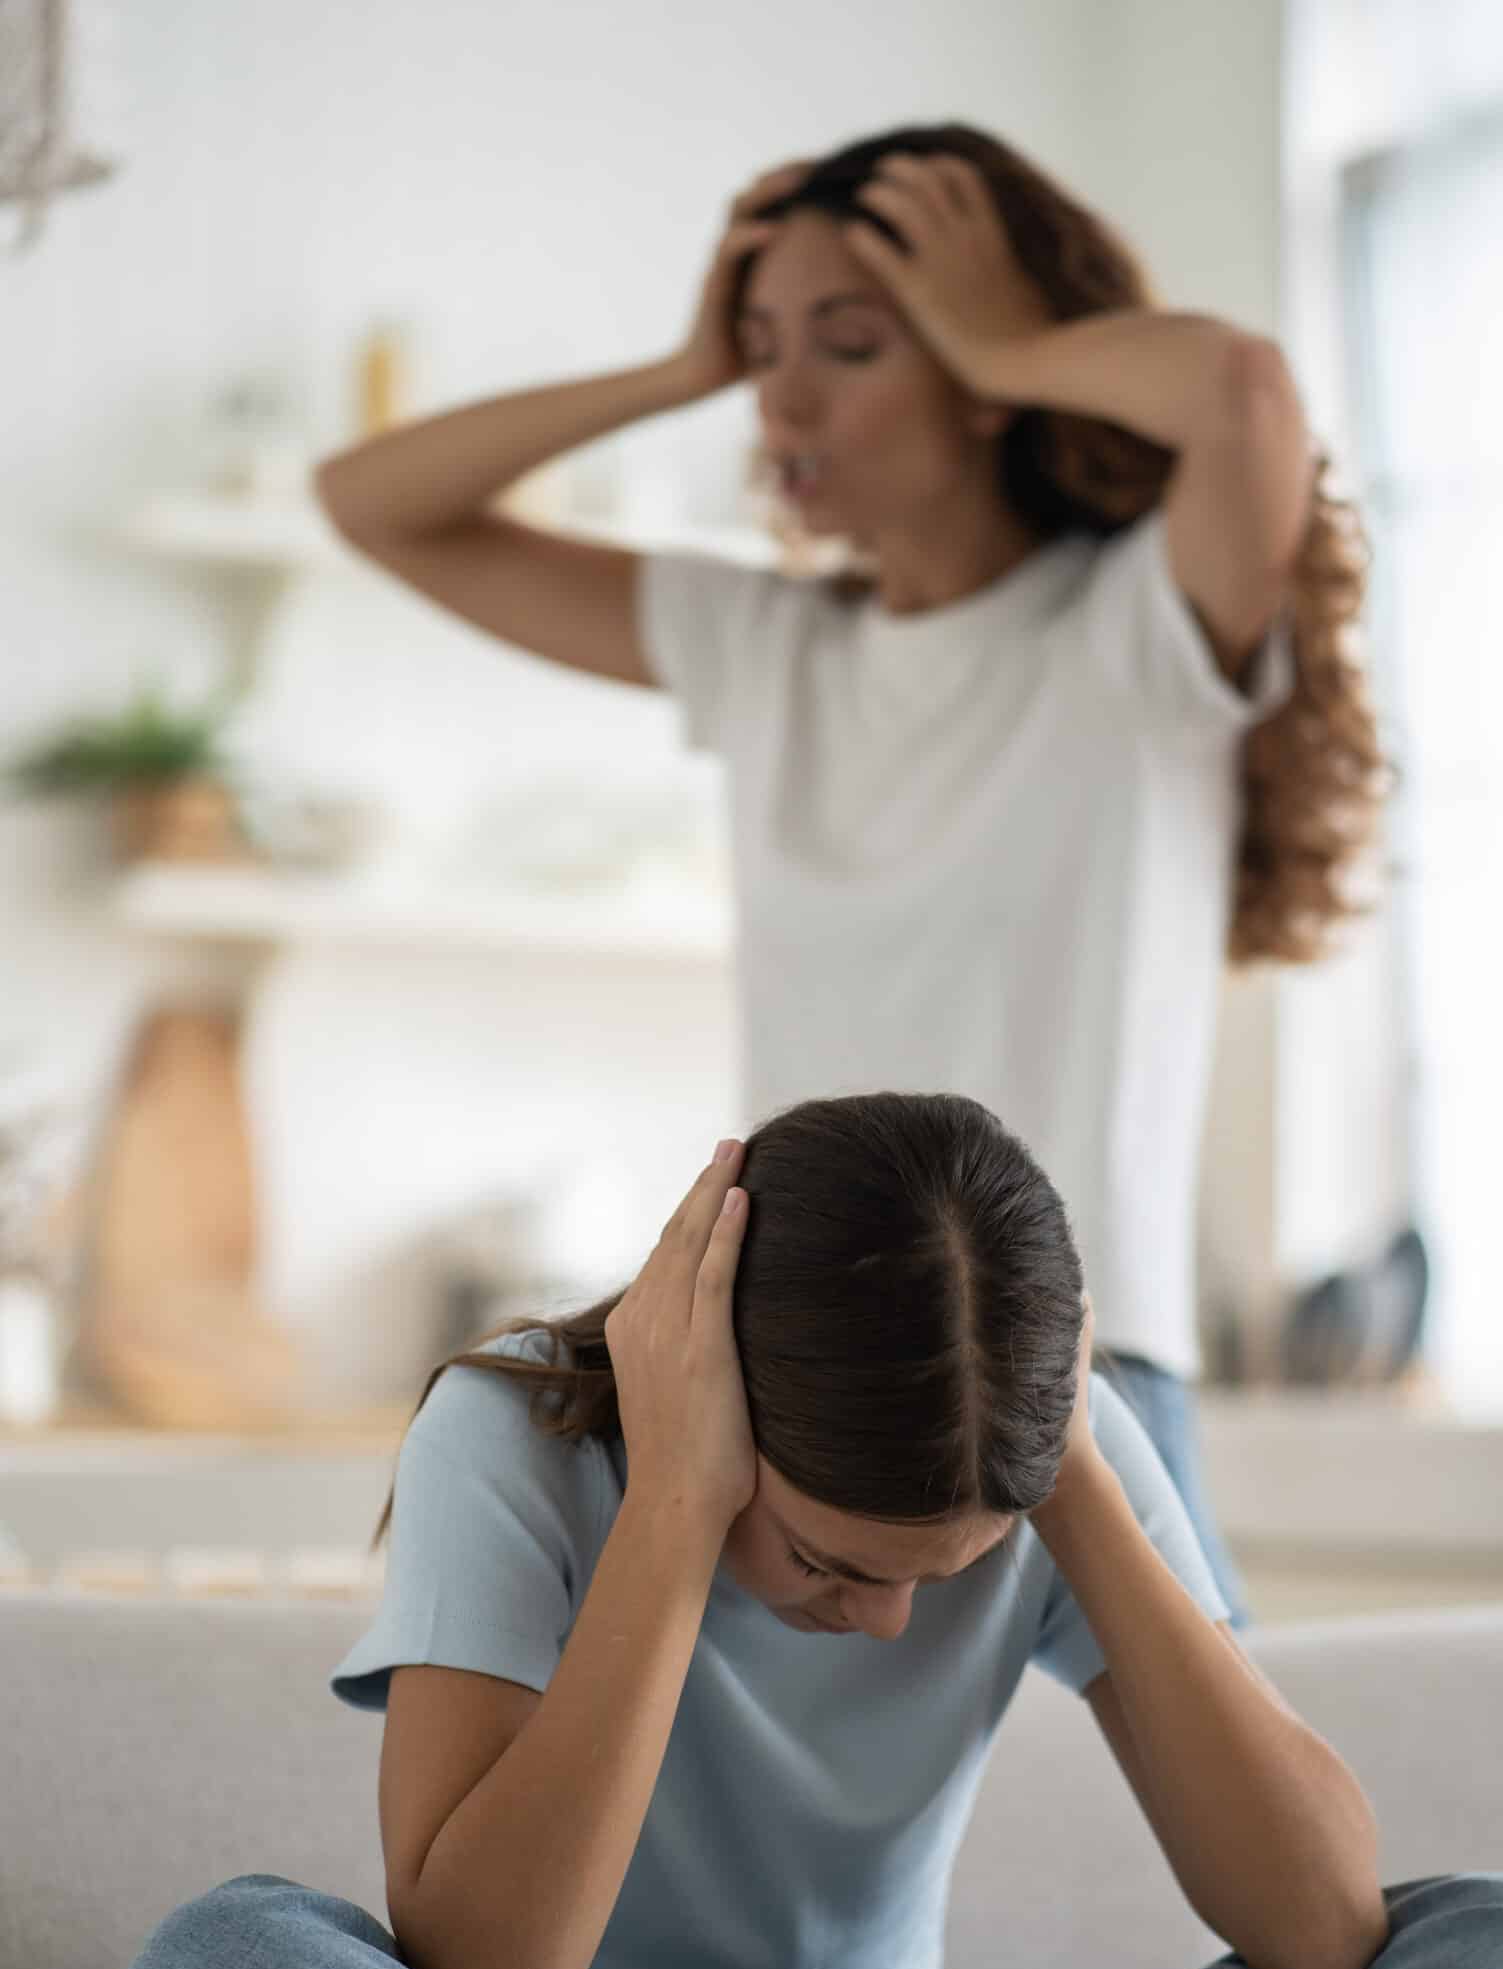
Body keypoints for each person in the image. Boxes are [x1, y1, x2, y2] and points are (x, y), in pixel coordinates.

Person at [115, 1095, 1503, 1969]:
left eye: (942, 1573)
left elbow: (1321, 1927)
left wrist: (1072, 1468)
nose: (890, 1623)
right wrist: (673, 1513)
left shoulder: (1033, 1460)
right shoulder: (511, 1435)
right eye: (832, 1562)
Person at [311, 123, 1389, 1630]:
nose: (786, 396)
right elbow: (370, 501)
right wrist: (677, 367)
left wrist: (1011, 337)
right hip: (793, 1395)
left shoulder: (1134, 632)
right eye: (765, 350)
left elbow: (1243, 396)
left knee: (1179, 1866)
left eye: (857, 342)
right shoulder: (771, 649)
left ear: (993, 377)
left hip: (1086, 1384)